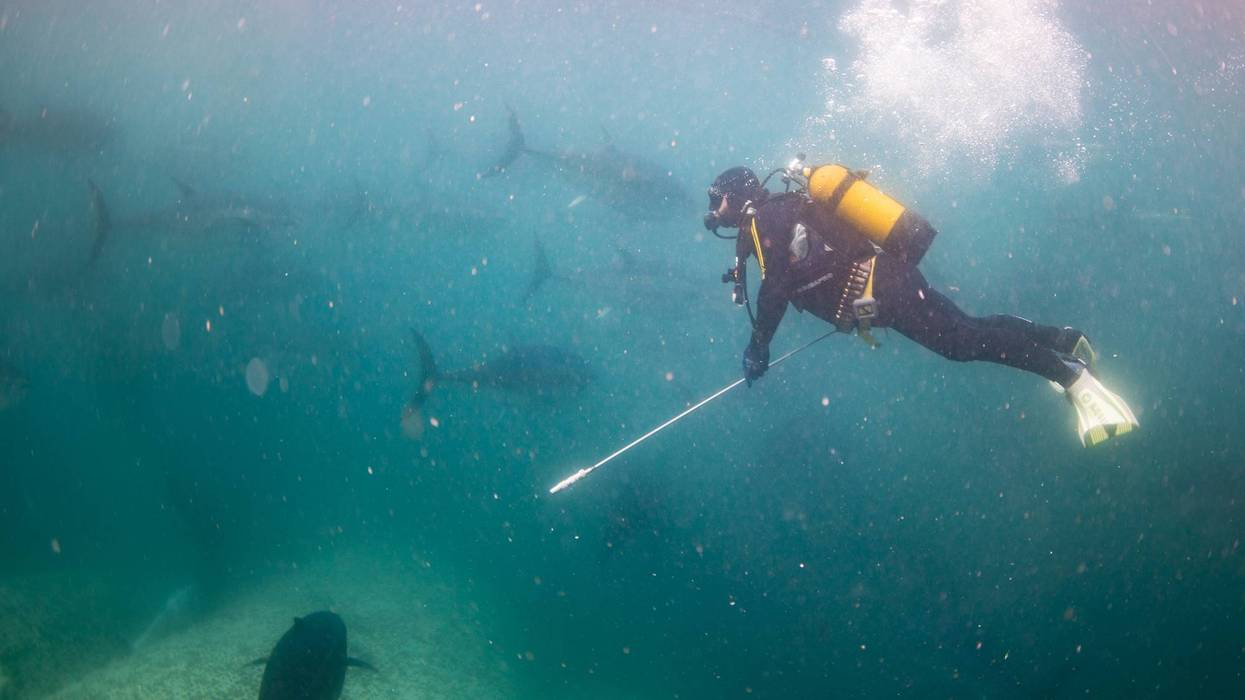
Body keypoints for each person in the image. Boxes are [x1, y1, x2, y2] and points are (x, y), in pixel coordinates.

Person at [702, 164, 1138, 446]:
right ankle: (1063, 340)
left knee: (962, 343)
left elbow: (775, 287)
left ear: (737, 196)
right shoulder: (777, 214)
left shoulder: (763, 219)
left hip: (879, 288)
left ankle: (1072, 378)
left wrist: (759, 347)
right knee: (968, 329)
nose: (714, 211)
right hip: (883, 285)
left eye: (716, 199)